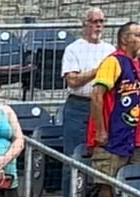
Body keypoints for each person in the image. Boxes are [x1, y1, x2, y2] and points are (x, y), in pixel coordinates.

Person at [88, 22, 140, 197]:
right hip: (112, 133)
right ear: (125, 39)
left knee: (129, 185)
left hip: (135, 134)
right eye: (138, 35)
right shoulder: (112, 62)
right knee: (106, 184)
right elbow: (97, 95)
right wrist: (101, 129)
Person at [59, 8, 111, 154]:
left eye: (101, 21)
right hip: (79, 105)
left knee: (100, 151)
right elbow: (73, 81)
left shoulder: (109, 50)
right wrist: (98, 71)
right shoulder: (73, 49)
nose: (98, 26)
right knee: (74, 152)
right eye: (94, 22)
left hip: (102, 105)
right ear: (85, 24)